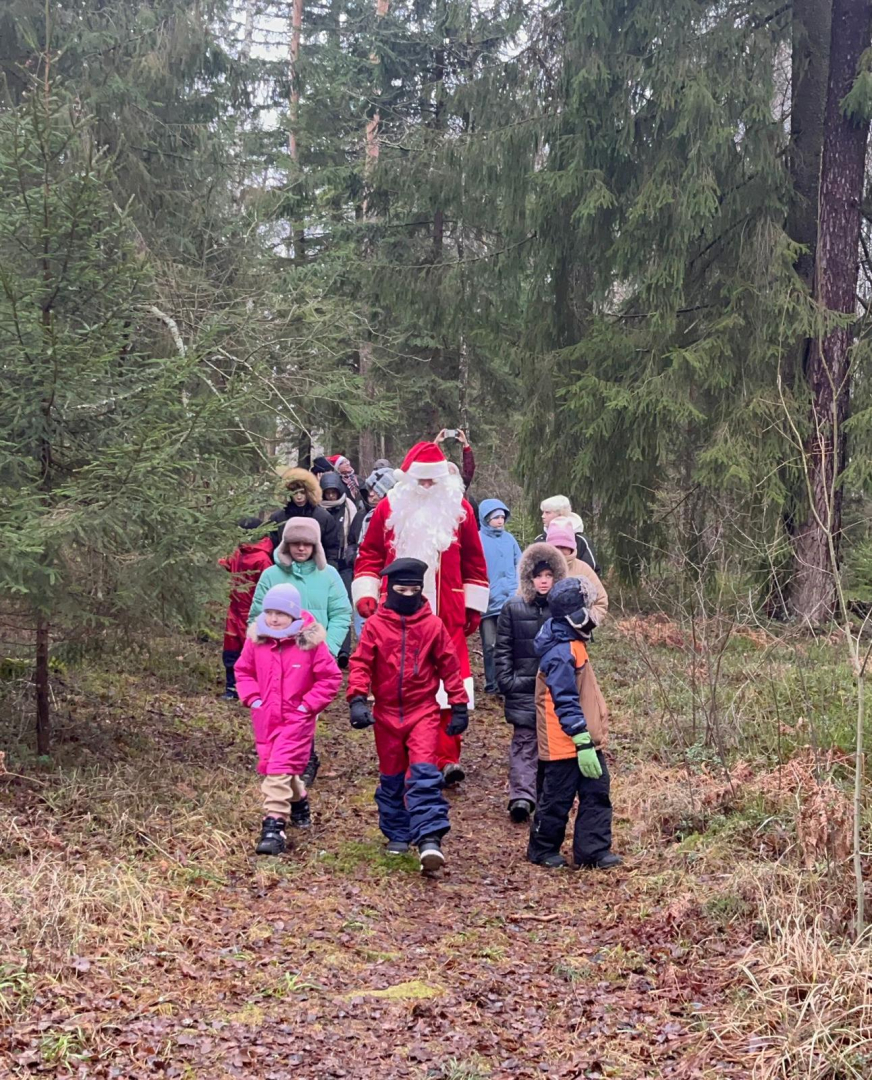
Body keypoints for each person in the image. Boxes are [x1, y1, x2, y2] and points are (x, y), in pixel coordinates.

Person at [352, 441, 489, 787]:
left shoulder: (460, 509)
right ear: (408, 478)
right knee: (399, 682)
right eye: (421, 480)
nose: (427, 486)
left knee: (450, 682)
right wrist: (367, 591)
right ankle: (403, 757)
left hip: (447, 614)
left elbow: (474, 560)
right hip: (396, 615)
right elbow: (369, 554)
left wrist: (473, 604)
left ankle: (446, 758)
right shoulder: (389, 507)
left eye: (433, 480)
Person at [347, 559, 469, 872]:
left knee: (424, 773)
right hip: (386, 714)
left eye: (414, 590)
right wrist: (357, 699)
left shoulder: (432, 625)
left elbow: (449, 665)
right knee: (391, 777)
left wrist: (458, 704)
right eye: (402, 590)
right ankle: (398, 833)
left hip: (423, 711)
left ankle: (429, 838)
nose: (408, 595)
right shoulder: (375, 626)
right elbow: (361, 663)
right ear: (391, 590)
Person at [234, 584, 342, 855]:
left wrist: (307, 707)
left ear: (293, 614)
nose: (273, 619)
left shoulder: (309, 644)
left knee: (278, 769)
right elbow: (243, 671)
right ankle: (299, 799)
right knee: (278, 766)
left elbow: (330, 678)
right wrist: (253, 699)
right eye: (269, 612)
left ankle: (274, 825)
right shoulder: (257, 640)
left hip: (297, 720)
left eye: (280, 613)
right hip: (266, 718)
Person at [250, 518, 352, 802]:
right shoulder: (271, 575)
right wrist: (259, 652)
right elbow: (256, 616)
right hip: (276, 657)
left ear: (315, 546)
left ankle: (305, 759)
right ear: (286, 544)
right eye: (295, 543)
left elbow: (341, 613)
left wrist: (328, 648)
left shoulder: (328, 575)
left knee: (306, 710)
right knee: (277, 708)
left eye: (307, 544)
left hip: (313, 658)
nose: (301, 549)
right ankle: (280, 760)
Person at [527, 577, 622, 871]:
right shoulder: (560, 651)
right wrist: (580, 739)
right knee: (556, 799)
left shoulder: (573, 643)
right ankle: (542, 848)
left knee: (596, 792)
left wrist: (587, 739)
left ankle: (593, 851)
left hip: (585, 740)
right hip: (565, 742)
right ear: (574, 615)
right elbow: (564, 699)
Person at [494, 542, 567, 823]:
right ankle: (521, 797)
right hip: (522, 687)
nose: (543, 581)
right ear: (528, 578)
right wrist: (507, 681)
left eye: (548, 575)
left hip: (554, 689)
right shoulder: (513, 608)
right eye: (538, 576)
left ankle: (543, 794)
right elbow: (502, 648)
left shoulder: (563, 610)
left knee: (550, 744)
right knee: (524, 741)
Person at [218, 517, 274, 701]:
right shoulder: (238, 553)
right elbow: (227, 563)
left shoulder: (262, 559)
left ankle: (253, 688)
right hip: (234, 609)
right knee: (231, 650)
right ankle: (231, 687)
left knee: (252, 650)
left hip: (253, 613)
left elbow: (267, 587)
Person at [478, 499, 522, 694]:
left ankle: (508, 682)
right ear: (486, 518)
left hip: (509, 600)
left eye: (502, 517)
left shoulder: (510, 539)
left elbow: (520, 564)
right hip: (487, 602)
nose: (500, 520)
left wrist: (517, 588)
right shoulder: (478, 539)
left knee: (510, 643)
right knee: (490, 644)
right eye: (496, 517)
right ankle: (491, 683)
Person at [269, 467, 342, 570]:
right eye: (295, 493)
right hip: (285, 568)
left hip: (316, 569)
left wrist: (328, 570)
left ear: (309, 492)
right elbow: (272, 547)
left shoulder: (323, 517)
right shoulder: (278, 517)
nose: (299, 497)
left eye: (302, 492)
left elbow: (331, 548)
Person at [320, 470, 357, 665]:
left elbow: (354, 534)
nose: (331, 496)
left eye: (334, 492)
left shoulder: (349, 508)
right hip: (323, 563)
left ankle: (343, 650)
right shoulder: (319, 511)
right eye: (328, 493)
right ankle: (326, 646)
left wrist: (351, 555)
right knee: (324, 606)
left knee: (343, 606)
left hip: (344, 565)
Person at [545, 522, 608, 631]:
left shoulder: (583, 569)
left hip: (575, 634)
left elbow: (601, 602)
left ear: (571, 547)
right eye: (555, 547)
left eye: (563, 546)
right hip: (541, 634)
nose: (559, 551)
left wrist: (583, 622)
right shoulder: (539, 568)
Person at [535, 496, 599, 572]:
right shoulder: (540, 540)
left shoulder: (581, 540)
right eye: (543, 512)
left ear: (560, 514)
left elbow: (591, 570)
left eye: (547, 512)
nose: (543, 516)